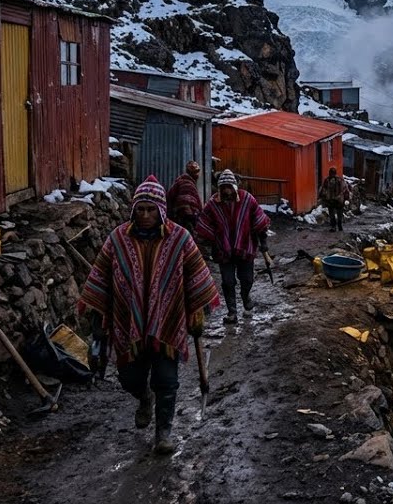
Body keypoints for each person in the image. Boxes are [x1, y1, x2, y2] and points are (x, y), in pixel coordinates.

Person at [77, 175, 220, 455]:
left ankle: (163, 432)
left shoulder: (180, 238)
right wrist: (97, 324)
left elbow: (196, 276)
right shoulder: (117, 239)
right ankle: (144, 398)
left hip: (168, 322)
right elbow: (100, 281)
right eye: (140, 209)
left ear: (161, 211)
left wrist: (198, 312)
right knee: (130, 377)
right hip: (127, 324)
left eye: (150, 209)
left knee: (167, 380)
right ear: (133, 210)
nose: (144, 215)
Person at [195, 169, 270, 324]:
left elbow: (260, 222)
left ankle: (245, 296)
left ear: (235, 187)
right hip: (224, 251)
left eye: (230, 187)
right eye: (224, 188)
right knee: (228, 282)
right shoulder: (213, 204)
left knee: (247, 279)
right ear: (220, 188)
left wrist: (264, 245)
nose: (227, 191)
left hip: (245, 247)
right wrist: (208, 244)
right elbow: (204, 224)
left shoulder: (247, 199)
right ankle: (232, 312)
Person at [165, 161, 203, 233]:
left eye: (198, 171)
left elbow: (169, 196)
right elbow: (191, 202)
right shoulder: (187, 184)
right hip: (186, 216)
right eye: (195, 172)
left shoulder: (180, 182)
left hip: (180, 216)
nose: (197, 174)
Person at [318, 167, 348, 232]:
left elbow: (323, 189)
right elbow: (345, 189)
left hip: (334, 200)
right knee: (335, 213)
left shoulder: (331, 180)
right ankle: (336, 226)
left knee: (335, 213)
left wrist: (322, 196)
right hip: (335, 200)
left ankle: (336, 226)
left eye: (331, 173)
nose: (331, 174)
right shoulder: (338, 180)